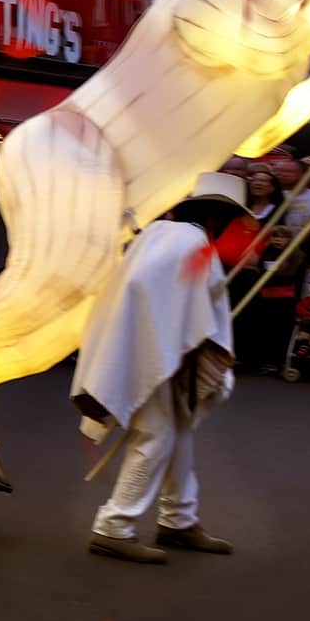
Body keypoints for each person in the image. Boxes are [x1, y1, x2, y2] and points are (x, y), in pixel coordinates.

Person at [75, 173, 239, 564]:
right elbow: (203, 314)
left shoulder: (156, 234)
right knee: (158, 433)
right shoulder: (196, 244)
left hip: (139, 346)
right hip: (156, 350)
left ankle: (178, 518)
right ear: (219, 217)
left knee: (178, 429)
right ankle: (114, 526)